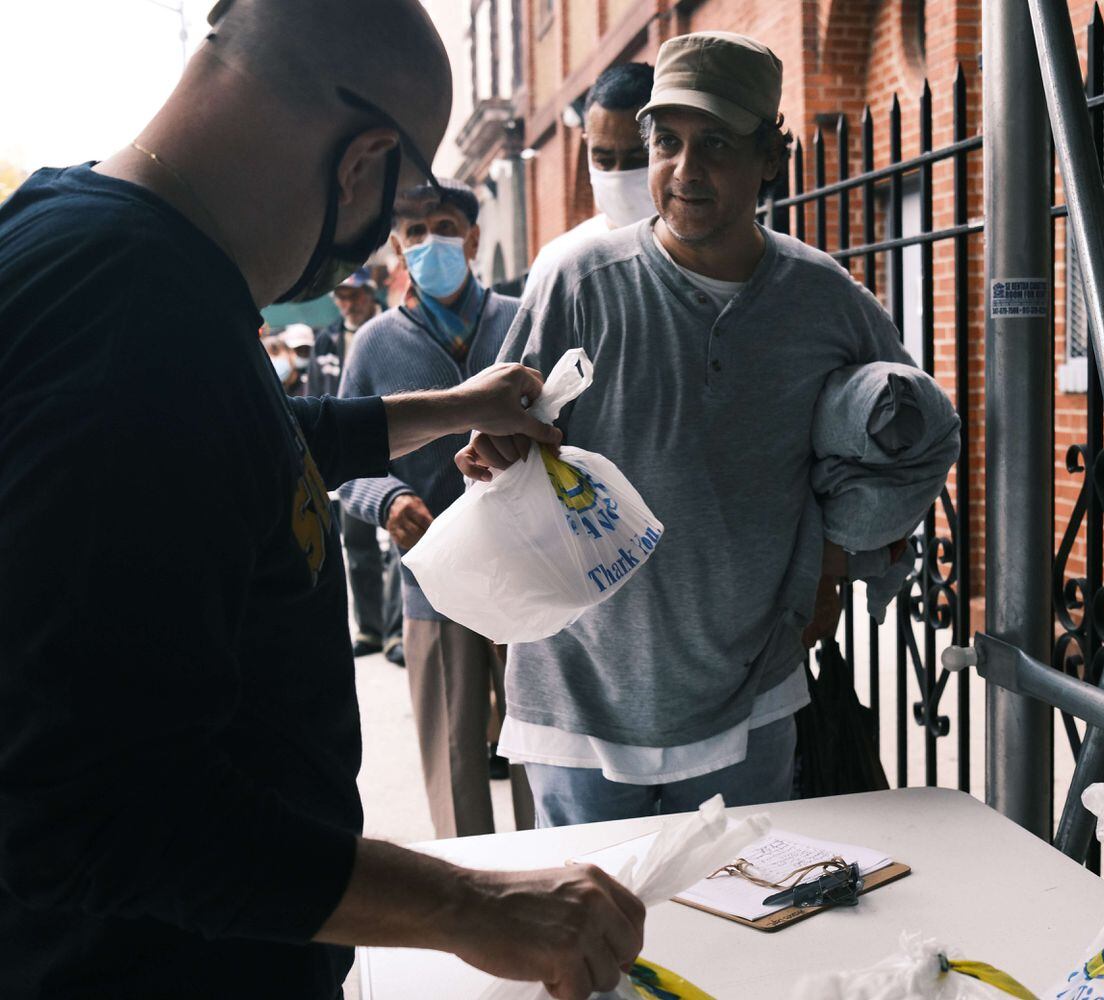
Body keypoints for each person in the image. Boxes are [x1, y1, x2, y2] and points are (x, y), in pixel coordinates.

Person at [0, 3, 643, 998]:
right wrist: (475, 907)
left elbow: (241, 445)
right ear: (364, 160)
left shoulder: (116, 253)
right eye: (397, 209)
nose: (375, 247)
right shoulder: (129, 318)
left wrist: (445, 407)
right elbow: (95, 801)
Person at [460, 31, 923, 829]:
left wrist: (837, 556)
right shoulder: (577, 281)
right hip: (582, 690)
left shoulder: (824, 301)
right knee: (592, 943)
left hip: (751, 689)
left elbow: (902, 439)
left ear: (771, 157)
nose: (684, 169)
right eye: (667, 142)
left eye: (715, 144)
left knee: (741, 928)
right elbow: (505, 438)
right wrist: (497, 454)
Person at [338, 177, 527, 839]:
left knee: (541, 750)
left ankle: (556, 874)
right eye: (414, 233)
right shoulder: (374, 346)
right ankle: (476, 892)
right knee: (454, 759)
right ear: (396, 248)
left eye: (443, 226)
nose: (429, 243)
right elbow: (342, 466)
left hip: (530, 573)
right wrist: (388, 499)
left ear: (473, 238)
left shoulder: (521, 320)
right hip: (432, 582)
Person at [312, 267, 405, 663]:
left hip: (388, 442)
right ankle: (369, 627)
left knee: (400, 537)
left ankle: (396, 630)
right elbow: (315, 393)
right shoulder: (328, 340)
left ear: (370, 294)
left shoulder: (392, 329)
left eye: (355, 296)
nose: (349, 304)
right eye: (342, 297)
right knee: (357, 542)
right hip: (344, 453)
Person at [523, 62, 655, 295]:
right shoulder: (558, 265)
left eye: (637, 159)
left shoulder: (714, 257)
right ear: (587, 144)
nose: (618, 174)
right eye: (603, 160)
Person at [281, 322, 316, 395]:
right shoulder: (281, 374)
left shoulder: (316, 374)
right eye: (298, 349)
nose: (303, 353)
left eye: (306, 349)